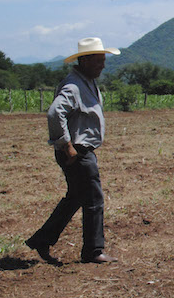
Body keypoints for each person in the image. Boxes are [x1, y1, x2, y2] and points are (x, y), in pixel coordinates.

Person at [25, 37, 120, 264]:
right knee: (94, 199)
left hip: (80, 150)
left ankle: (42, 239)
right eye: (99, 61)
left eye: (104, 60)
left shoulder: (86, 81)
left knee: (75, 197)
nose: (103, 65)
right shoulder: (73, 85)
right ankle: (93, 251)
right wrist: (66, 145)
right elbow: (54, 113)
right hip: (77, 151)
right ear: (85, 60)